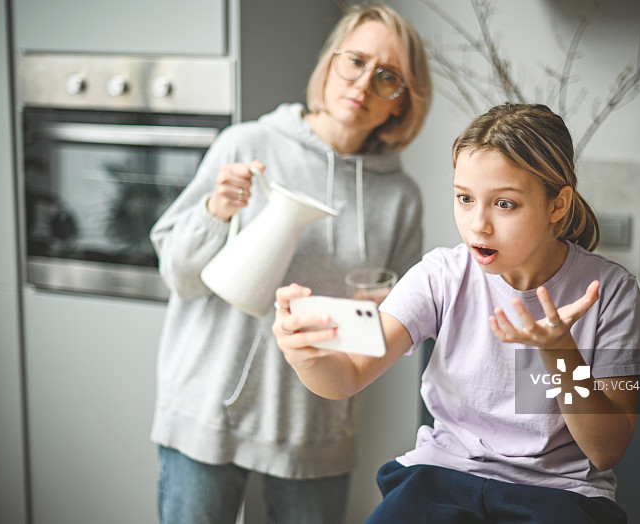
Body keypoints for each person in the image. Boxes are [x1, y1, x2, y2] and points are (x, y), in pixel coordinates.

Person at [273, 103, 640, 523]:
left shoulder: (611, 292)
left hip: (559, 493)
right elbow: (348, 373)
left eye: (505, 204)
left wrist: (560, 352)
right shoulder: (442, 275)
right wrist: (306, 356)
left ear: (557, 205)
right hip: (443, 476)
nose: (478, 224)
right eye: (464, 198)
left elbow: (606, 450)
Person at [149, 5, 431, 523]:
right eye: (355, 62)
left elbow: (400, 326)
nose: (364, 83)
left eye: (387, 77)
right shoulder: (247, 144)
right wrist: (216, 212)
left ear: (402, 102)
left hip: (316, 429)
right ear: (329, 65)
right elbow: (179, 275)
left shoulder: (401, 197)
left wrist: (381, 312)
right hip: (208, 410)